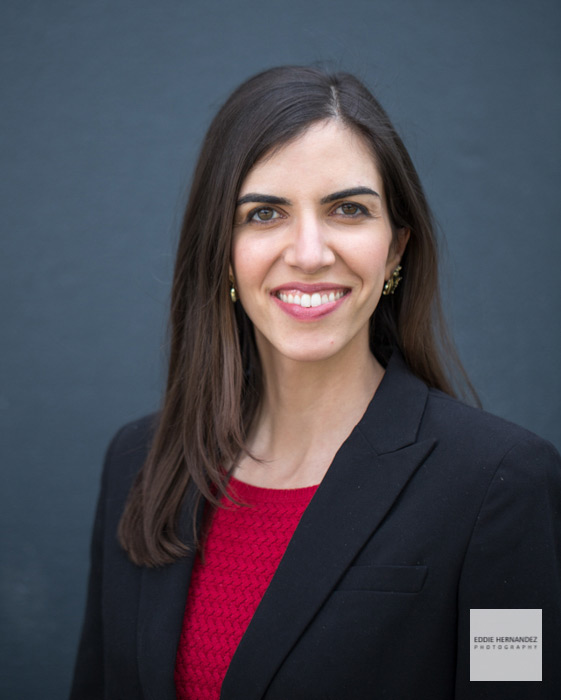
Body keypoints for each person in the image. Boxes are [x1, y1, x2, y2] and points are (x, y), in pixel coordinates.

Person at [69, 65, 561, 700]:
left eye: (348, 210)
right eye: (265, 212)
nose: (308, 252)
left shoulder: (501, 484)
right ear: (223, 250)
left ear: (396, 250)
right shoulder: (138, 463)